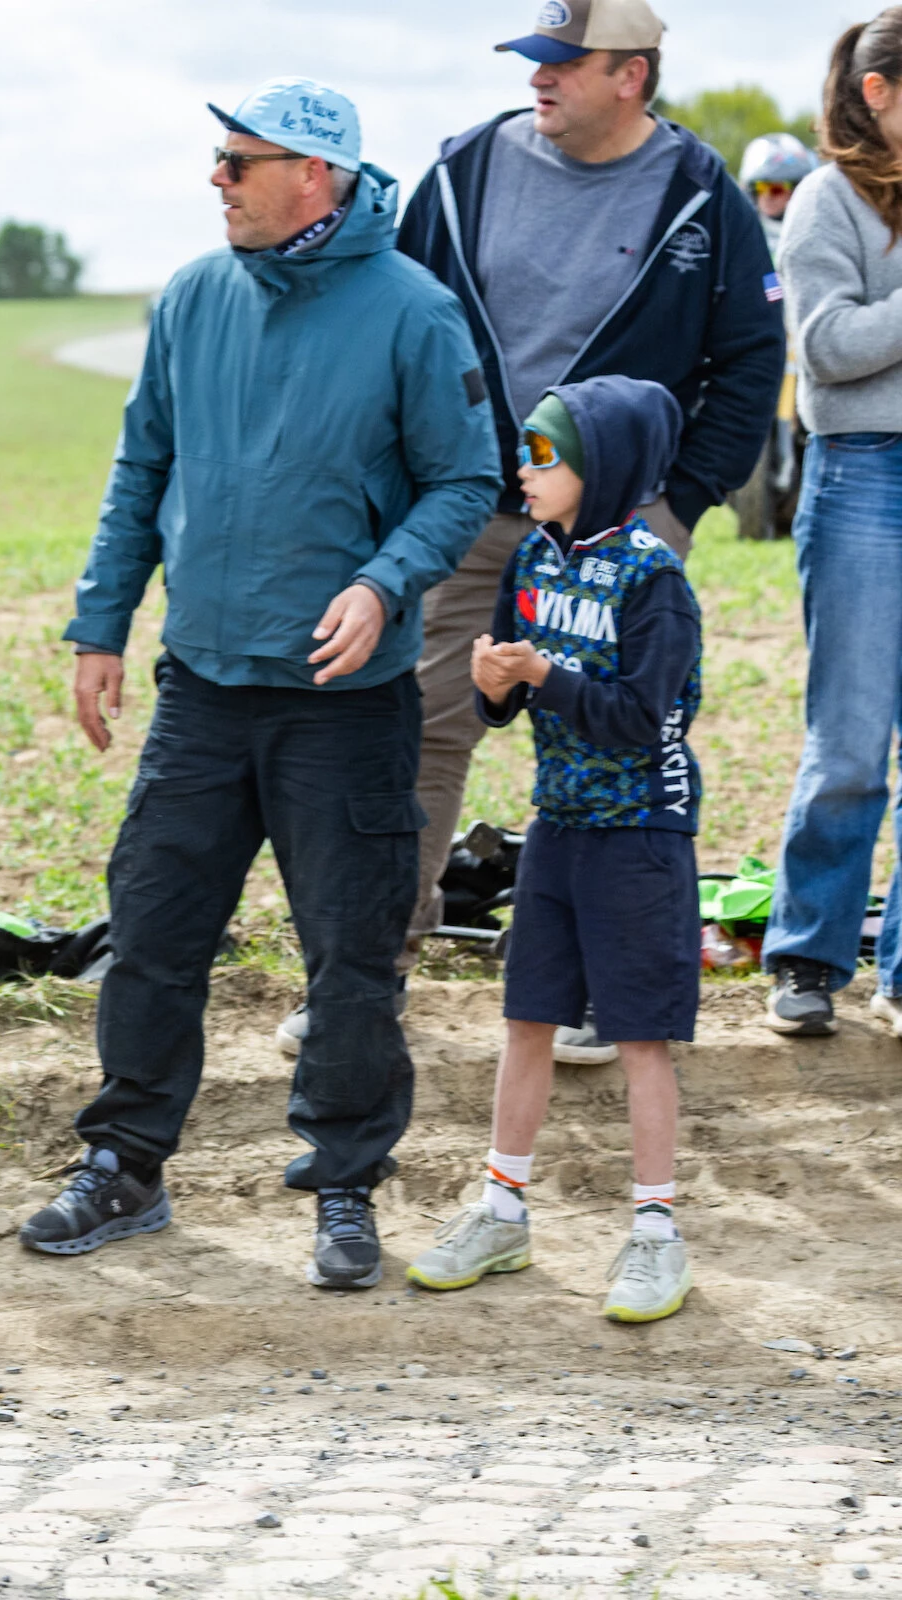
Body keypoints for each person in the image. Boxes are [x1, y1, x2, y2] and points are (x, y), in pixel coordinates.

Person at [17, 79, 499, 1289]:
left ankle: (344, 1185)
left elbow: (465, 480)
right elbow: (142, 467)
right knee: (152, 931)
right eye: (218, 158)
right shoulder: (192, 297)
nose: (217, 179)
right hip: (203, 685)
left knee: (349, 957)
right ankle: (125, 1165)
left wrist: (384, 582)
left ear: (314, 177)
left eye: (240, 162)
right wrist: (100, 625)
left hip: (347, 702)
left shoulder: (414, 311)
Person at [383, 0, 782, 1065]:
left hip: (618, 535)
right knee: (424, 727)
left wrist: (677, 501)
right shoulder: (464, 170)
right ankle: (376, 971)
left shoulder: (701, 196)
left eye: (564, 62)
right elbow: (401, 319)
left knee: (618, 743)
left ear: (631, 75)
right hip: (472, 510)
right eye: (534, 59)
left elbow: (751, 358)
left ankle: (609, 992)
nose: (538, 78)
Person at [407, 375, 703, 1325]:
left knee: (640, 1037)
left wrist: (543, 674)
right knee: (527, 1018)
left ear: (599, 467)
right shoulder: (531, 557)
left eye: (544, 455)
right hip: (558, 828)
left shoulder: (654, 580)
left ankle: (656, 1232)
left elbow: (640, 718)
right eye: (523, 451)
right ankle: (502, 1212)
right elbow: (504, 699)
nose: (523, 471)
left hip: (642, 835)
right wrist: (495, 685)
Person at [760, 9, 902, 1038]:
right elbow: (828, 349)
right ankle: (809, 955)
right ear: (878, 93)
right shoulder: (824, 199)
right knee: (850, 739)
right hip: (864, 477)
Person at [728, 131, 817, 544]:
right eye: (762, 188)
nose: (770, 197)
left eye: (780, 188)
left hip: (806, 347)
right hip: (764, 345)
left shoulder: (818, 233)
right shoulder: (743, 238)